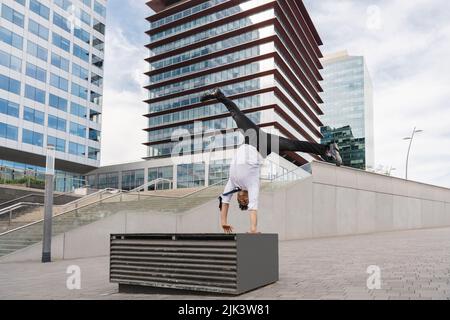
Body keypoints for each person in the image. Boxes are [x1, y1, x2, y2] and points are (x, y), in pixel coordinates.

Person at [201, 88, 342, 234]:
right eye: (246, 201)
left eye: (241, 201)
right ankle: (327, 149)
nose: (244, 199)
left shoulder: (232, 183)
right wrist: (253, 230)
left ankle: (219, 95)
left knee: (236, 115)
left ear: (237, 197)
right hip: (263, 146)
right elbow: (254, 208)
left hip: (251, 137)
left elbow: (224, 202)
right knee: (292, 145)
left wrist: (223, 222)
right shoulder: (253, 184)